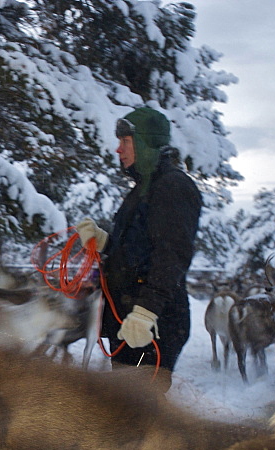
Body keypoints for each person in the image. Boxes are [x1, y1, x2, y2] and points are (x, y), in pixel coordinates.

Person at [76, 106, 202, 391]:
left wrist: (146, 311)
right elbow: (139, 248)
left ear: (145, 142)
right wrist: (103, 240)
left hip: (151, 323)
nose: (118, 150)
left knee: (143, 409)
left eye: (126, 142)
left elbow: (172, 255)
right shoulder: (144, 189)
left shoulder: (173, 187)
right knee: (125, 406)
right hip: (128, 317)